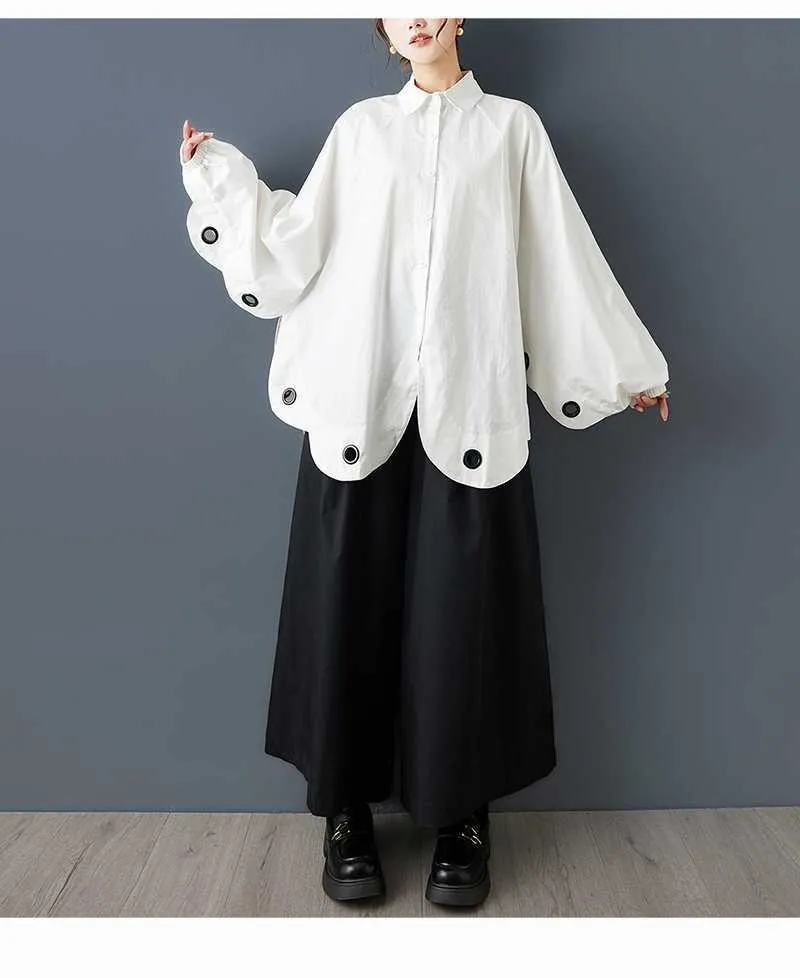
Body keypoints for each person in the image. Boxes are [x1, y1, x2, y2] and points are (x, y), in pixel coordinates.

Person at [178, 17, 670, 909]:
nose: (416, 14)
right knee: (345, 606)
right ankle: (345, 814)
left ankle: (461, 817)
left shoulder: (513, 130)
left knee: (463, 615)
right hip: (361, 402)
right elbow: (294, 247)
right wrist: (220, 183)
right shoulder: (361, 131)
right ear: (383, 25)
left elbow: (557, 258)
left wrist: (621, 369)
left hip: (469, 404)